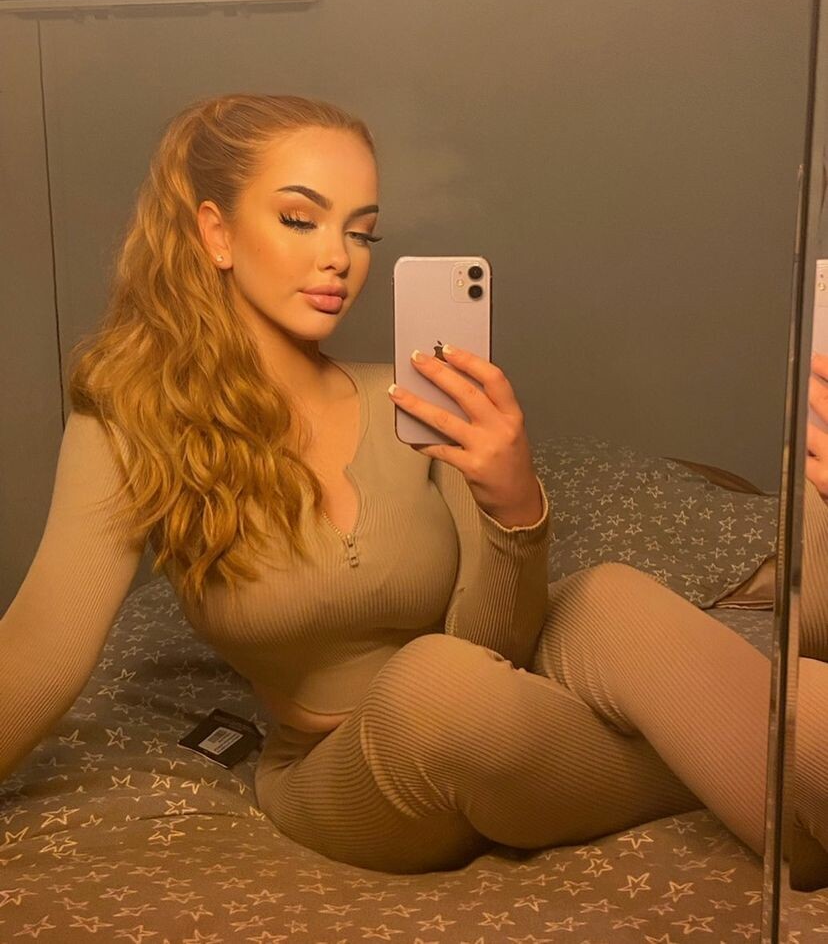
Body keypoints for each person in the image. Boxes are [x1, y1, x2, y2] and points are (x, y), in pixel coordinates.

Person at [1, 93, 826, 889]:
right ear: (216, 232)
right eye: (300, 219)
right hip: (339, 770)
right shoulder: (134, 418)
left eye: (362, 231)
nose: (340, 256)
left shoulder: (413, 395)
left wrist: (513, 508)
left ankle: (798, 826)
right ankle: (773, 783)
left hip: (487, 709)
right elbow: (39, 649)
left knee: (602, 597)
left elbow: (494, 646)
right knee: (434, 686)